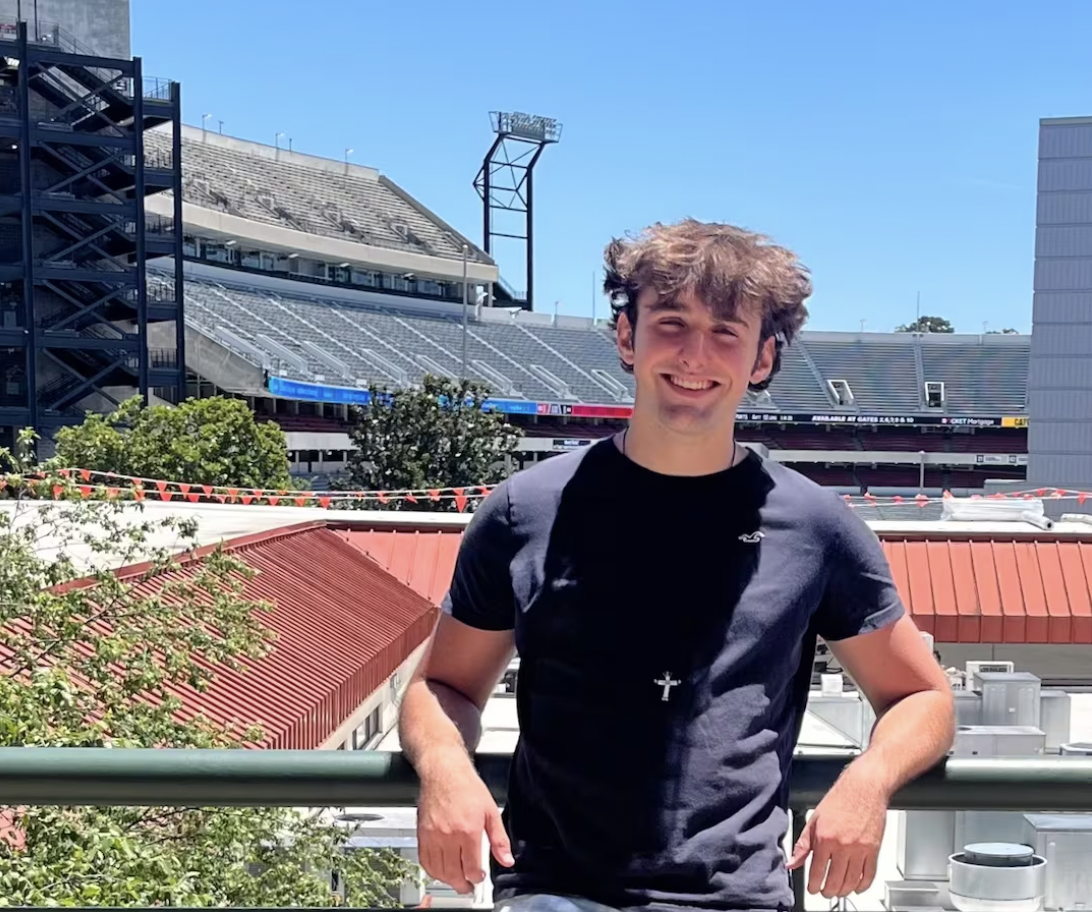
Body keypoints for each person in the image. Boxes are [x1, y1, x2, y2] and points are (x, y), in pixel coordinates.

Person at [398, 219, 956, 912]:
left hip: (737, 898)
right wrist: (445, 767)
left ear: (762, 359)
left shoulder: (818, 527)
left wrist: (867, 783)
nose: (695, 355)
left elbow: (925, 699)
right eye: (671, 322)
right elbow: (443, 685)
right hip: (557, 893)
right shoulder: (524, 511)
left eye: (726, 330)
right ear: (627, 337)